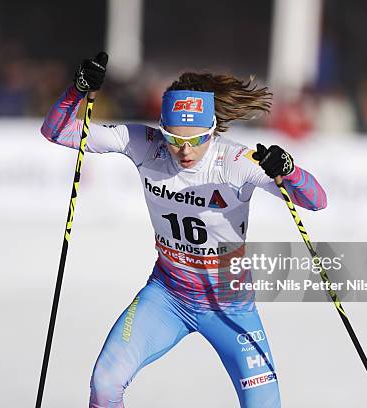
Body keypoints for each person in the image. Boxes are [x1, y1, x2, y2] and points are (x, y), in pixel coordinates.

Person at [41, 52, 327, 408]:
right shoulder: (145, 144)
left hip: (230, 308)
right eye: (175, 140)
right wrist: (77, 92)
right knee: (105, 382)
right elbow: (57, 131)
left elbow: (316, 201)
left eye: (197, 140)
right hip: (168, 296)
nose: (185, 151)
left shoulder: (236, 163)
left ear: (213, 130)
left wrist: (289, 170)